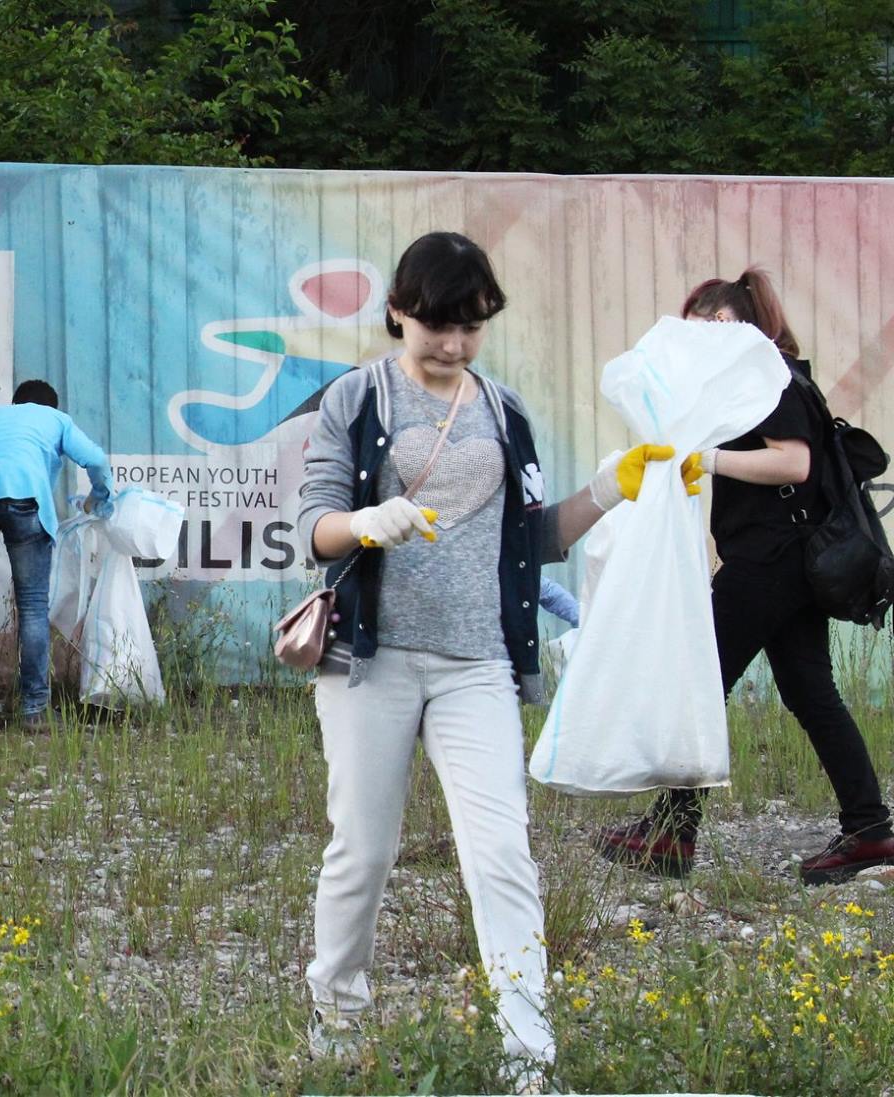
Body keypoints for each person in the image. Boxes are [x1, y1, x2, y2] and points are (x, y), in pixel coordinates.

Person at [294, 230, 678, 1084]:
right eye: (438, 324)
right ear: (399, 311)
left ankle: (526, 1052)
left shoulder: (505, 413)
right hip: (372, 660)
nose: (454, 343)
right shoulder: (357, 399)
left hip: (478, 665)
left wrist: (609, 487)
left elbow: (530, 539)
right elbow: (313, 527)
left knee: (503, 855)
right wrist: (365, 523)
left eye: (471, 326)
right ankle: (338, 1018)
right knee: (363, 848)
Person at [595, 267, 893, 885]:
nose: (698, 343)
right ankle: (869, 829)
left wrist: (704, 458)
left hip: (770, 560)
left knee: (699, 683)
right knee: (811, 695)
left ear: (735, 324)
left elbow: (793, 462)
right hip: (791, 560)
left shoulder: (771, 379)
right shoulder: (759, 379)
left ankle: (672, 833)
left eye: (708, 329)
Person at [0, 380, 113, 725]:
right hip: (24, 498)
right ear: (51, 407)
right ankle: (34, 710)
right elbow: (97, 459)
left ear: (15, 403)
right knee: (31, 606)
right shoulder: (56, 419)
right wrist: (102, 499)